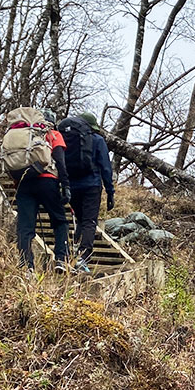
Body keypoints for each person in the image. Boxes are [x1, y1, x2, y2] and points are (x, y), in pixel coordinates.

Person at [7, 109, 71, 271]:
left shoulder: (23, 133)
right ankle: (61, 259)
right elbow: (60, 162)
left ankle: (26, 264)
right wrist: (66, 185)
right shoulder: (53, 134)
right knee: (59, 220)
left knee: (25, 225)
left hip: (24, 183)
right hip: (48, 181)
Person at [65, 111, 115, 271]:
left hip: (72, 186)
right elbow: (106, 168)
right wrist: (110, 191)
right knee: (88, 221)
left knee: (81, 220)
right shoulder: (98, 140)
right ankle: (83, 257)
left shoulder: (69, 139)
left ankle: (73, 253)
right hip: (92, 186)